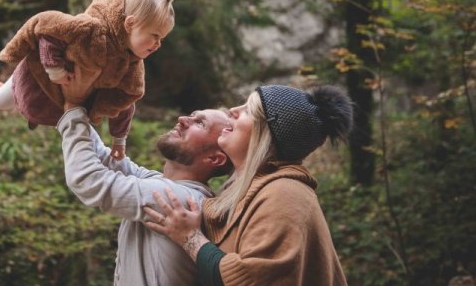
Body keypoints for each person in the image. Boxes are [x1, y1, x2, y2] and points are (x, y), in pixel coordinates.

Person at [143, 84, 352, 286]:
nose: (233, 110)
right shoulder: (245, 190)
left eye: (247, 111)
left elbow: (251, 280)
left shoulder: (285, 194)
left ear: (266, 136)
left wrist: (190, 238)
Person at [0, 0, 174, 159]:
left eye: (162, 39)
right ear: (130, 24)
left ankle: (34, 116)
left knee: (47, 115)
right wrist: (55, 69)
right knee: (2, 101)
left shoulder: (132, 66)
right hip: (37, 80)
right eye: (154, 35)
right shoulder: (90, 29)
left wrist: (119, 141)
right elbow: (47, 31)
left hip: (59, 105)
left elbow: (123, 102)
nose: (158, 44)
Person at [57, 96, 231, 286]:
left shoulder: (179, 200)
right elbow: (106, 160)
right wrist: (67, 104)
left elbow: (88, 179)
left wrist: (73, 112)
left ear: (214, 159)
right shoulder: (164, 184)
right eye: (192, 115)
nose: (183, 119)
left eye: (200, 123)